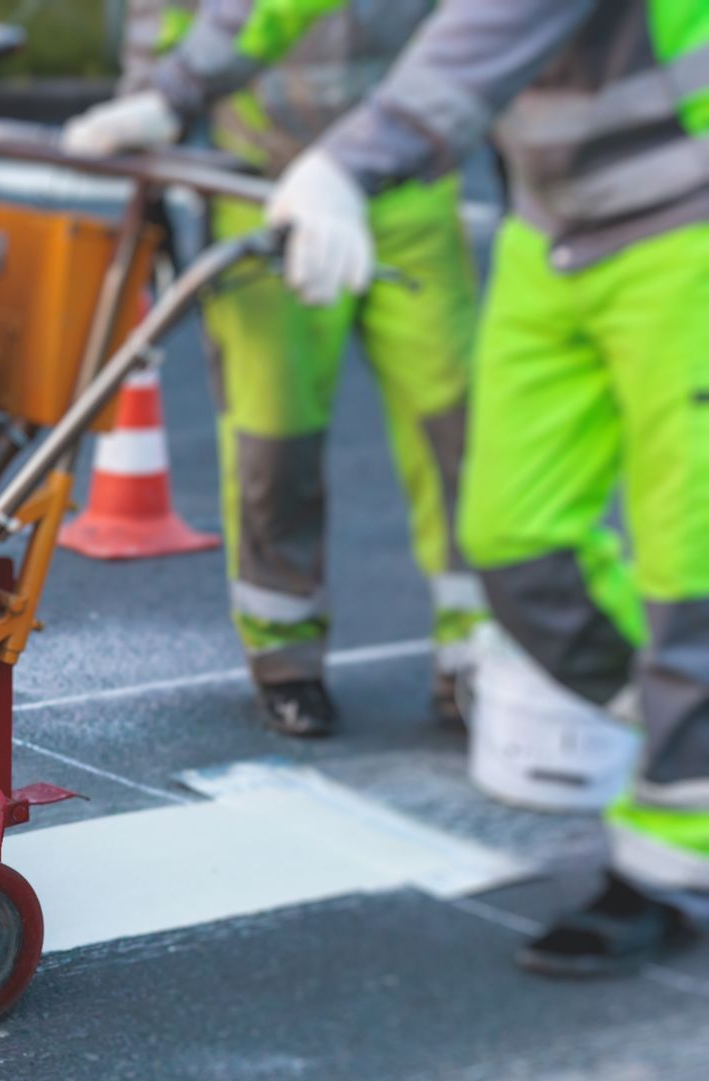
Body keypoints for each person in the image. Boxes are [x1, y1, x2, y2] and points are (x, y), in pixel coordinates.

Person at [256, 0, 709, 975]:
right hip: (554, 229)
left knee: (691, 573)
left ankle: (667, 867)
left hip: (687, 221)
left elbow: (492, 26)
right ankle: (686, 730)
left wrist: (349, 161)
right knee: (510, 538)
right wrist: (170, 94)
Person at [66, 0, 484, 738]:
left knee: (458, 433)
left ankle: (473, 654)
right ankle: (285, 658)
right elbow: (159, 20)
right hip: (264, 188)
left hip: (409, 185)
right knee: (272, 440)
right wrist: (148, 132)